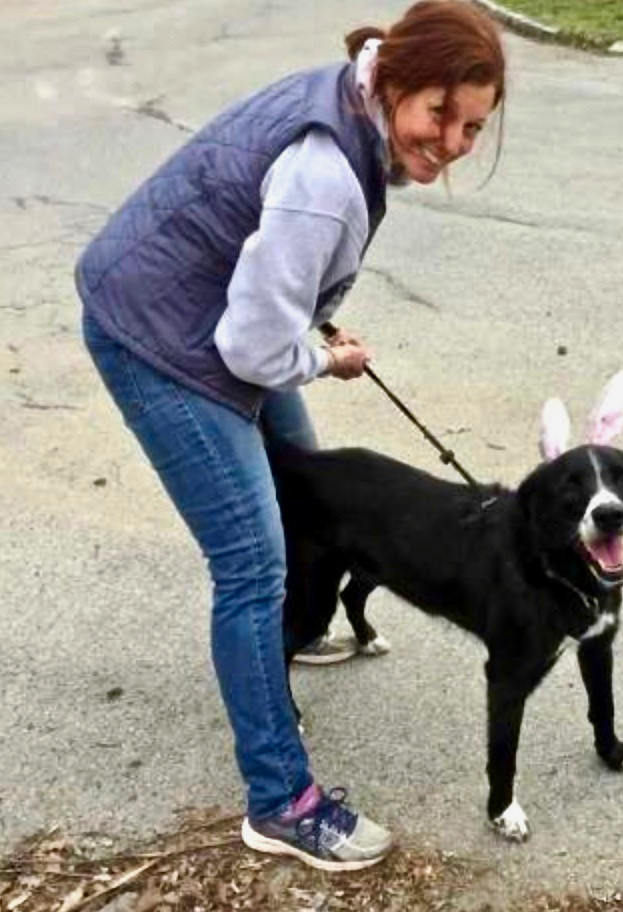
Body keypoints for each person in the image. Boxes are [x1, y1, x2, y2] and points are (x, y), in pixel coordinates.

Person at [76, 0, 506, 871]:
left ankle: (288, 638)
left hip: (199, 313)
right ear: (393, 81)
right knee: (252, 559)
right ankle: (279, 799)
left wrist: (303, 333)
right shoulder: (328, 181)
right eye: (441, 115)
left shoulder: (352, 100)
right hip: (158, 339)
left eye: (473, 126)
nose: (455, 142)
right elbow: (250, 346)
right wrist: (317, 355)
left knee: (307, 482)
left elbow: (262, 290)